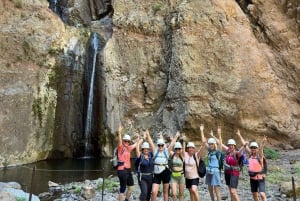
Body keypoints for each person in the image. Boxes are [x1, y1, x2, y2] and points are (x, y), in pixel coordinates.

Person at [151, 131, 179, 201]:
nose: (160, 146)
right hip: (157, 173)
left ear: (163, 145)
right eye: (159, 145)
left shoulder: (166, 151)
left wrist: (176, 136)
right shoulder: (155, 151)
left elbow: (172, 145)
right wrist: (148, 135)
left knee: (165, 192)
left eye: (162, 145)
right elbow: (151, 143)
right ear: (157, 145)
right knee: (154, 192)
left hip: (165, 172)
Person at [116, 124, 138, 201]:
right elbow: (119, 141)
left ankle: (126, 200)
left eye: (128, 141)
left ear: (129, 142)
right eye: (125, 141)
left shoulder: (128, 148)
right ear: (123, 141)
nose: (126, 142)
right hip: (122, 170)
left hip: (128, 171)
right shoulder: (120, 147)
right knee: (123, 188)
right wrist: (119, 132)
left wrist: (142, 138)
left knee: (131, 187)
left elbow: (136, 144)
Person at [200, 124, 222, 201]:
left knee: (216, 190)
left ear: (214, 144)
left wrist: (219, 135)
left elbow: (220, 144)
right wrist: (201, 131)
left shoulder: (217, 152)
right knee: (210, 189)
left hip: (215, 172)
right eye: (210, 144)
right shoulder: (209, 151)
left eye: (212, 144)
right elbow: (203, 141)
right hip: (209, 171)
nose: (210, 145)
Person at [135, 129, 155, 201]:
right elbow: (137, 147)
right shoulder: (140, 156)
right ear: (142, 150)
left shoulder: (151, 155)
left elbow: (153, 147)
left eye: (147, 149)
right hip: (142, 177)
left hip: (150, 177)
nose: (146, 150)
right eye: (144, 149)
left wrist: (148, 136)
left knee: (149, 194)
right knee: (144, 193)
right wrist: (143, 138)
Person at [184, 135, 206, 201]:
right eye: (189, 148)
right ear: (187, 149)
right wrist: (184, 141)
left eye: (192, 148)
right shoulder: (185, 154)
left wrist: (203, 144)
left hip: (195, 177)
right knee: (191, 193)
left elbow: (201, 150)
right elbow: (181, 149)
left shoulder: (196, 155)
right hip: (187, 177)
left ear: (194, 149)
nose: (190, 149)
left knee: (194, 190)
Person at [247, 136, 267, 201]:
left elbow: (261, 149)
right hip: (252, 179)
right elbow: (245, 146)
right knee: (255, 195)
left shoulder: (260, 156)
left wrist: (263, 143)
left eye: (255, 148)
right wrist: (239, 135)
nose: (253, 149)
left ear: (257, 149)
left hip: (260, 178)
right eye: (252, 148)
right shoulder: (250, 155)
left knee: (262, 194)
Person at [168, 134, 186, 201]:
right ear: (175, 149)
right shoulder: (172, 154)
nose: (177, 150)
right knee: (174, 193)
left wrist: (184, 141)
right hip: (173, 176)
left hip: (181, 176)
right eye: (176, 148)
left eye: (179, 149)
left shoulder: (182, 156)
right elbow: (170, 148)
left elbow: (183, 149)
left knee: (181, 194)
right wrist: (172, 140)